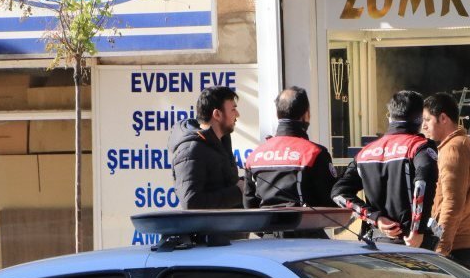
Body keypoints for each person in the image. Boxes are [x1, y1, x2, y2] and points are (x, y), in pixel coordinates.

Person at [333, 90, 439, 248]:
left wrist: (375, 217)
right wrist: (417, 230)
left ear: (390, 117)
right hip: (411, 243)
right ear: (419, 119)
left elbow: (338, 193)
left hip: (376, 243)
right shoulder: (419, 147)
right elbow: (422, 184)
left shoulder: (365, 153)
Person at [243, 87, 338, 224]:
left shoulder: (255, 156)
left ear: (277, 115)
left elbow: (249, 204)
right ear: (306, 115)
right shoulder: (314, 153)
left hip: (267, 232)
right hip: (306, 231)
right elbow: (330, 201)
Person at [422, 93, 470, 268]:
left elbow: (452, 202)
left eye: (427, 120)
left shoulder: (453, 149)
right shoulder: (462, 144)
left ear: (443, 118)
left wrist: (441, 247)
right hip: (463, 244)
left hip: (456, 246)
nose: (423, 126)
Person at [169, 86, 242, 209]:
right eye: (233, 109)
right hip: (209, 223)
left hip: (227, 222)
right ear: (217, 114)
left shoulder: (222, 142)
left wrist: (246, 186)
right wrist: (237, 192)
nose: (237, 114)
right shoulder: (191, 149)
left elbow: (223, 185)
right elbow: (191, 202)